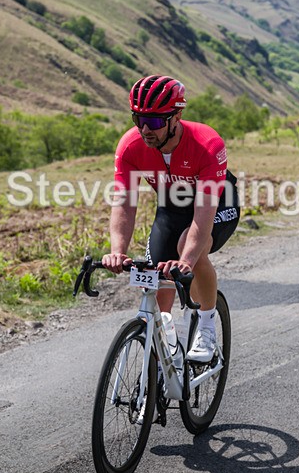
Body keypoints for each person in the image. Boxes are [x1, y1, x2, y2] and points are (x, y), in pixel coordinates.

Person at [102, 75, 241, 363]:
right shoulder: (130, 146)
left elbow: (204, 213)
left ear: (176, 117)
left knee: (187, 247)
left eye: (153, 122)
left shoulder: (207, 144)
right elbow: (124, 203)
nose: (144, 129)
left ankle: (206, 327)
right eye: (138, 119)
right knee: (155, 275)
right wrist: (117, 251)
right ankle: (166, 349)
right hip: (172, 207)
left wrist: (186, 260)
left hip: (216, 204)